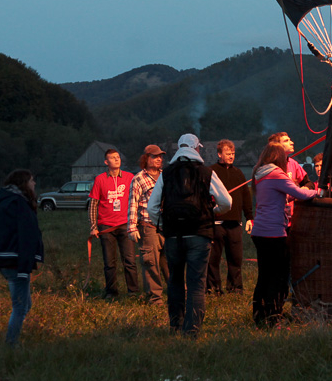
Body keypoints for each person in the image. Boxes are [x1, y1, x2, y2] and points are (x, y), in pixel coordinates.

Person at [148, 135, 232, 337]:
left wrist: (162, 223)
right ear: (197, 149)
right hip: (200, 234)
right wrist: (214, 210)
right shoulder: (205, 172)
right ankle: (192, 330)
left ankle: (175, 326)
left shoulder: (166, 173)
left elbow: (152, 206)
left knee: (175, 280)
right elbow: (227, 201)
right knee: (196, 283)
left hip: (173, 236)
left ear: (179, 148)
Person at [250, 143, 318, 325]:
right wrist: (318, 192)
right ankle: (274, 317)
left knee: (264, 275)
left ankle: (259, 315)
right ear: (278, 158)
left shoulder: (260, 174)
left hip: (259, 231)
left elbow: (279, 196)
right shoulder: (276, 173)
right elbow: (299, 193)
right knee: (278, 276)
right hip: (274, 232)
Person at [0, 169, 44, 346]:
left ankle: (13, 339)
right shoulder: (19, 203)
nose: (34, 184)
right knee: (20, 307)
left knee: (25, 305)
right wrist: (24, 266)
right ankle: (11, 344)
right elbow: (26, 235)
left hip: (4, 258)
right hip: (15, 260)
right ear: (24, 183)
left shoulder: (5, 201)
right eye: (32, 181)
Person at [88, 148, 139, 299]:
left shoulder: (130, 177)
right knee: (109, 263)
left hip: (125, 225)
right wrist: (93, 227)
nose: (117, 159)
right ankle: (111, 292)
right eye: (112, 158)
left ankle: (134, 292)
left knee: (129, 260)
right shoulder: (100, 179)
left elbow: (136, 198)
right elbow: (93, 204)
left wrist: (135, 223)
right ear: (106, 162)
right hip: (106, 226)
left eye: (118, 157)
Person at [207, 139, 253, 295]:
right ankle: (213, 288)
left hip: (235, 222)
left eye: (233, 153)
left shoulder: (238, 173)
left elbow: (246, 197)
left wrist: (249, 217)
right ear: (219, 154)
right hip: (217, 222)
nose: (231, 156)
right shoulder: (211, 172)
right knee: (213, 258)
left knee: (236, 258)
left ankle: (235, 288)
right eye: (228, 153)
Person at [127, 144, 170, 305]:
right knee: (150, 263)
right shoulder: (138, 178)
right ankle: (155, 298)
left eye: (161, 156)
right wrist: (131, 227)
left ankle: (178, 292)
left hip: (167, 227)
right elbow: (133, 203)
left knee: (171, 261)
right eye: (155, 156)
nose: (159, 159)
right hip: (148, 226)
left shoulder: (166, 175)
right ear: (146, 159)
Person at [267, 132, 313, 224]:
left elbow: (309, 183)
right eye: (286, 141)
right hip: (273, 218)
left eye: (290, 140)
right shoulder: (269, 167)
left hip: (291, 219)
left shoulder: (293, 164)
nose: (292, 142)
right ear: (277, 146)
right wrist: (298, 192)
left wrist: (305, 188)